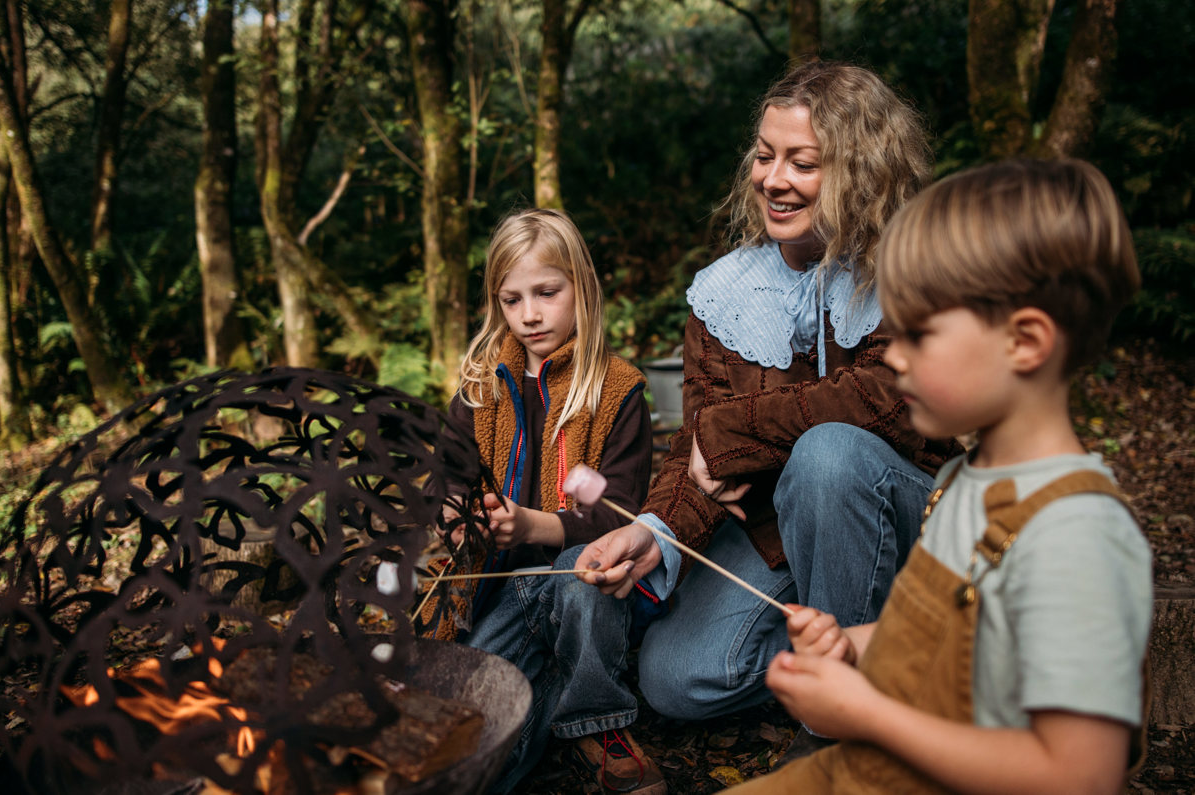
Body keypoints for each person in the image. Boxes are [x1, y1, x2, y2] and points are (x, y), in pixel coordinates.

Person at [723, 158, 1151, 793]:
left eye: (918, 333)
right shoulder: (960, 479)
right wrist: (850, 644)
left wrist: (864, 713)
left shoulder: (1075, 535)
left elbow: (1077, 775)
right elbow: (941, 641)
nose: (891, 353)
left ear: (1026, 342)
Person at [576, 61, 960, 742]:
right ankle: (889, 654)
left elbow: (888, 399)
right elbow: (697, 454)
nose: (773, 179)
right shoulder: (725, 292)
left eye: (802, 162)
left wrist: (733, 431)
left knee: (830, 454)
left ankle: (847, 729)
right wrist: (653, 530)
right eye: (764, 155)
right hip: (780, 528)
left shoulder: (914, 265)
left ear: (861, 171)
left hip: (910, 518)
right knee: (678, 678)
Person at [434, 208, 665, 794]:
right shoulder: (481, 388)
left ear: (580, 289)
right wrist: (456, 519)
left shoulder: (614, 389)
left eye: (546, 292)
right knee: (478, 715)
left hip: (581, 577)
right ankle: (550, 698)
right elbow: (449, 481)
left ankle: (598, 717)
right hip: (501, 587)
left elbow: (616, 511)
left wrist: (535, 524)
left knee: (577, 577)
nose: (530, 314)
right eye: (512, 300)